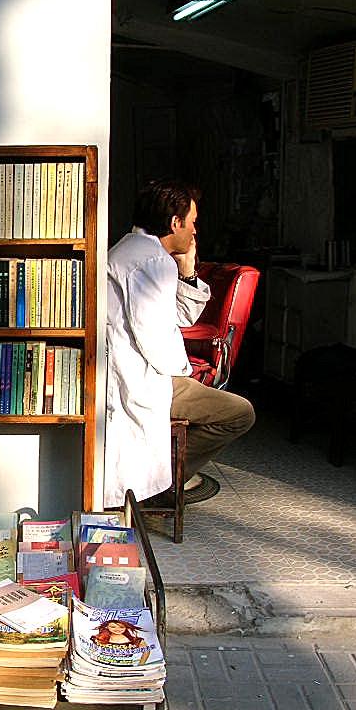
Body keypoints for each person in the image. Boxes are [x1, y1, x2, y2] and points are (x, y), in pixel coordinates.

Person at [104, 179, 255, 507]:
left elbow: (181, 317)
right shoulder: (151, 261)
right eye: (193, 222)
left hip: (143, 375)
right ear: (175, 222)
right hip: (142, 381)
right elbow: (157, 342)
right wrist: (186, 370)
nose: (195, 231)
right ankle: (166, 482)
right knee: (240, 414)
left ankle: (161, 477)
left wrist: (187, 271)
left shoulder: (136, 251)